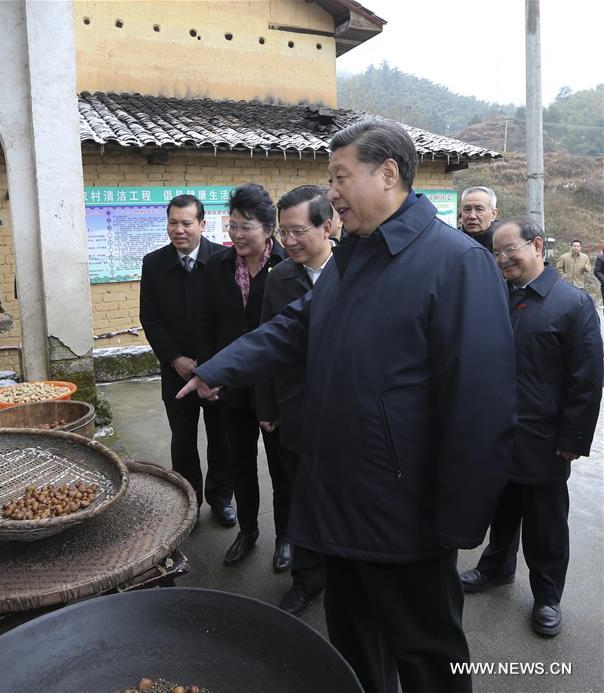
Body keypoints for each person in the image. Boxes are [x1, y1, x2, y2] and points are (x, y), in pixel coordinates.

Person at [179, 119, 515, 693]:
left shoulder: (455, 263)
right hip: (339, 500)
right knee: (355, 652)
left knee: (427, 658)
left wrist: (457, 523)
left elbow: (481, 408)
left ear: (388, 175)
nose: (330, 191)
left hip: (406, 516)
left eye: (340, 177)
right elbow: (294, 328)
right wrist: (219, 368)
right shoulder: (355, 255)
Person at [460, 217, 602, 637]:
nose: (502, 259)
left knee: (545, 526)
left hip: (544, 439)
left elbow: (587, 378)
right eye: (496, 252)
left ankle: (547, 597)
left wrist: (574, 437)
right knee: (500, 510)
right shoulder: (495, 296)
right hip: (496, 434)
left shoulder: (571, 304)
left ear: (537, 246)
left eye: (510, 250)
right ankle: (496, 568)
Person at [197, 183, 289, 568]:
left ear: (268, 229)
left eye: (246, 226)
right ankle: (247, 530)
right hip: (232, 386)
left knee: (282, 467)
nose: (236, 234)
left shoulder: (286, 267)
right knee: (239, 463)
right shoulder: (217, 266)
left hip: (273, 387)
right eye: (231, 225)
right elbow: (206, 325)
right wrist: (211, 372)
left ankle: (287, 537)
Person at [139, 194, 235, 527]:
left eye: (186, 223)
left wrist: (211, 365)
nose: (178, 230)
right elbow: (150, 319)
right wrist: (175, 358)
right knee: (182, 441)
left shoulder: (224, 259)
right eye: (173, 223)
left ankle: (221, 499)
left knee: (221, 439)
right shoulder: (153, 264)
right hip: (175, 371)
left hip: (216, 372)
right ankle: (188, 501)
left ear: (202, 224)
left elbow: (229, 319)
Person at [256, 185, 330, 615]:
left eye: (298, 231)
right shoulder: (279, 277)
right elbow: (266, 343)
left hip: (346, 415)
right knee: (300, 497)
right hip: (296, 410)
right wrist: (267, 408)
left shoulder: (355, 271)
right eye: (283, 233)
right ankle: (306, 580)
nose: (289, 241)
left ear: (328, 226)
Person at [458, 185, 499, 251]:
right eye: (467, 209)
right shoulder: (451, 242)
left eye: (479, 209)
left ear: (493, 214)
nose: (472, 216)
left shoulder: (504, 243)